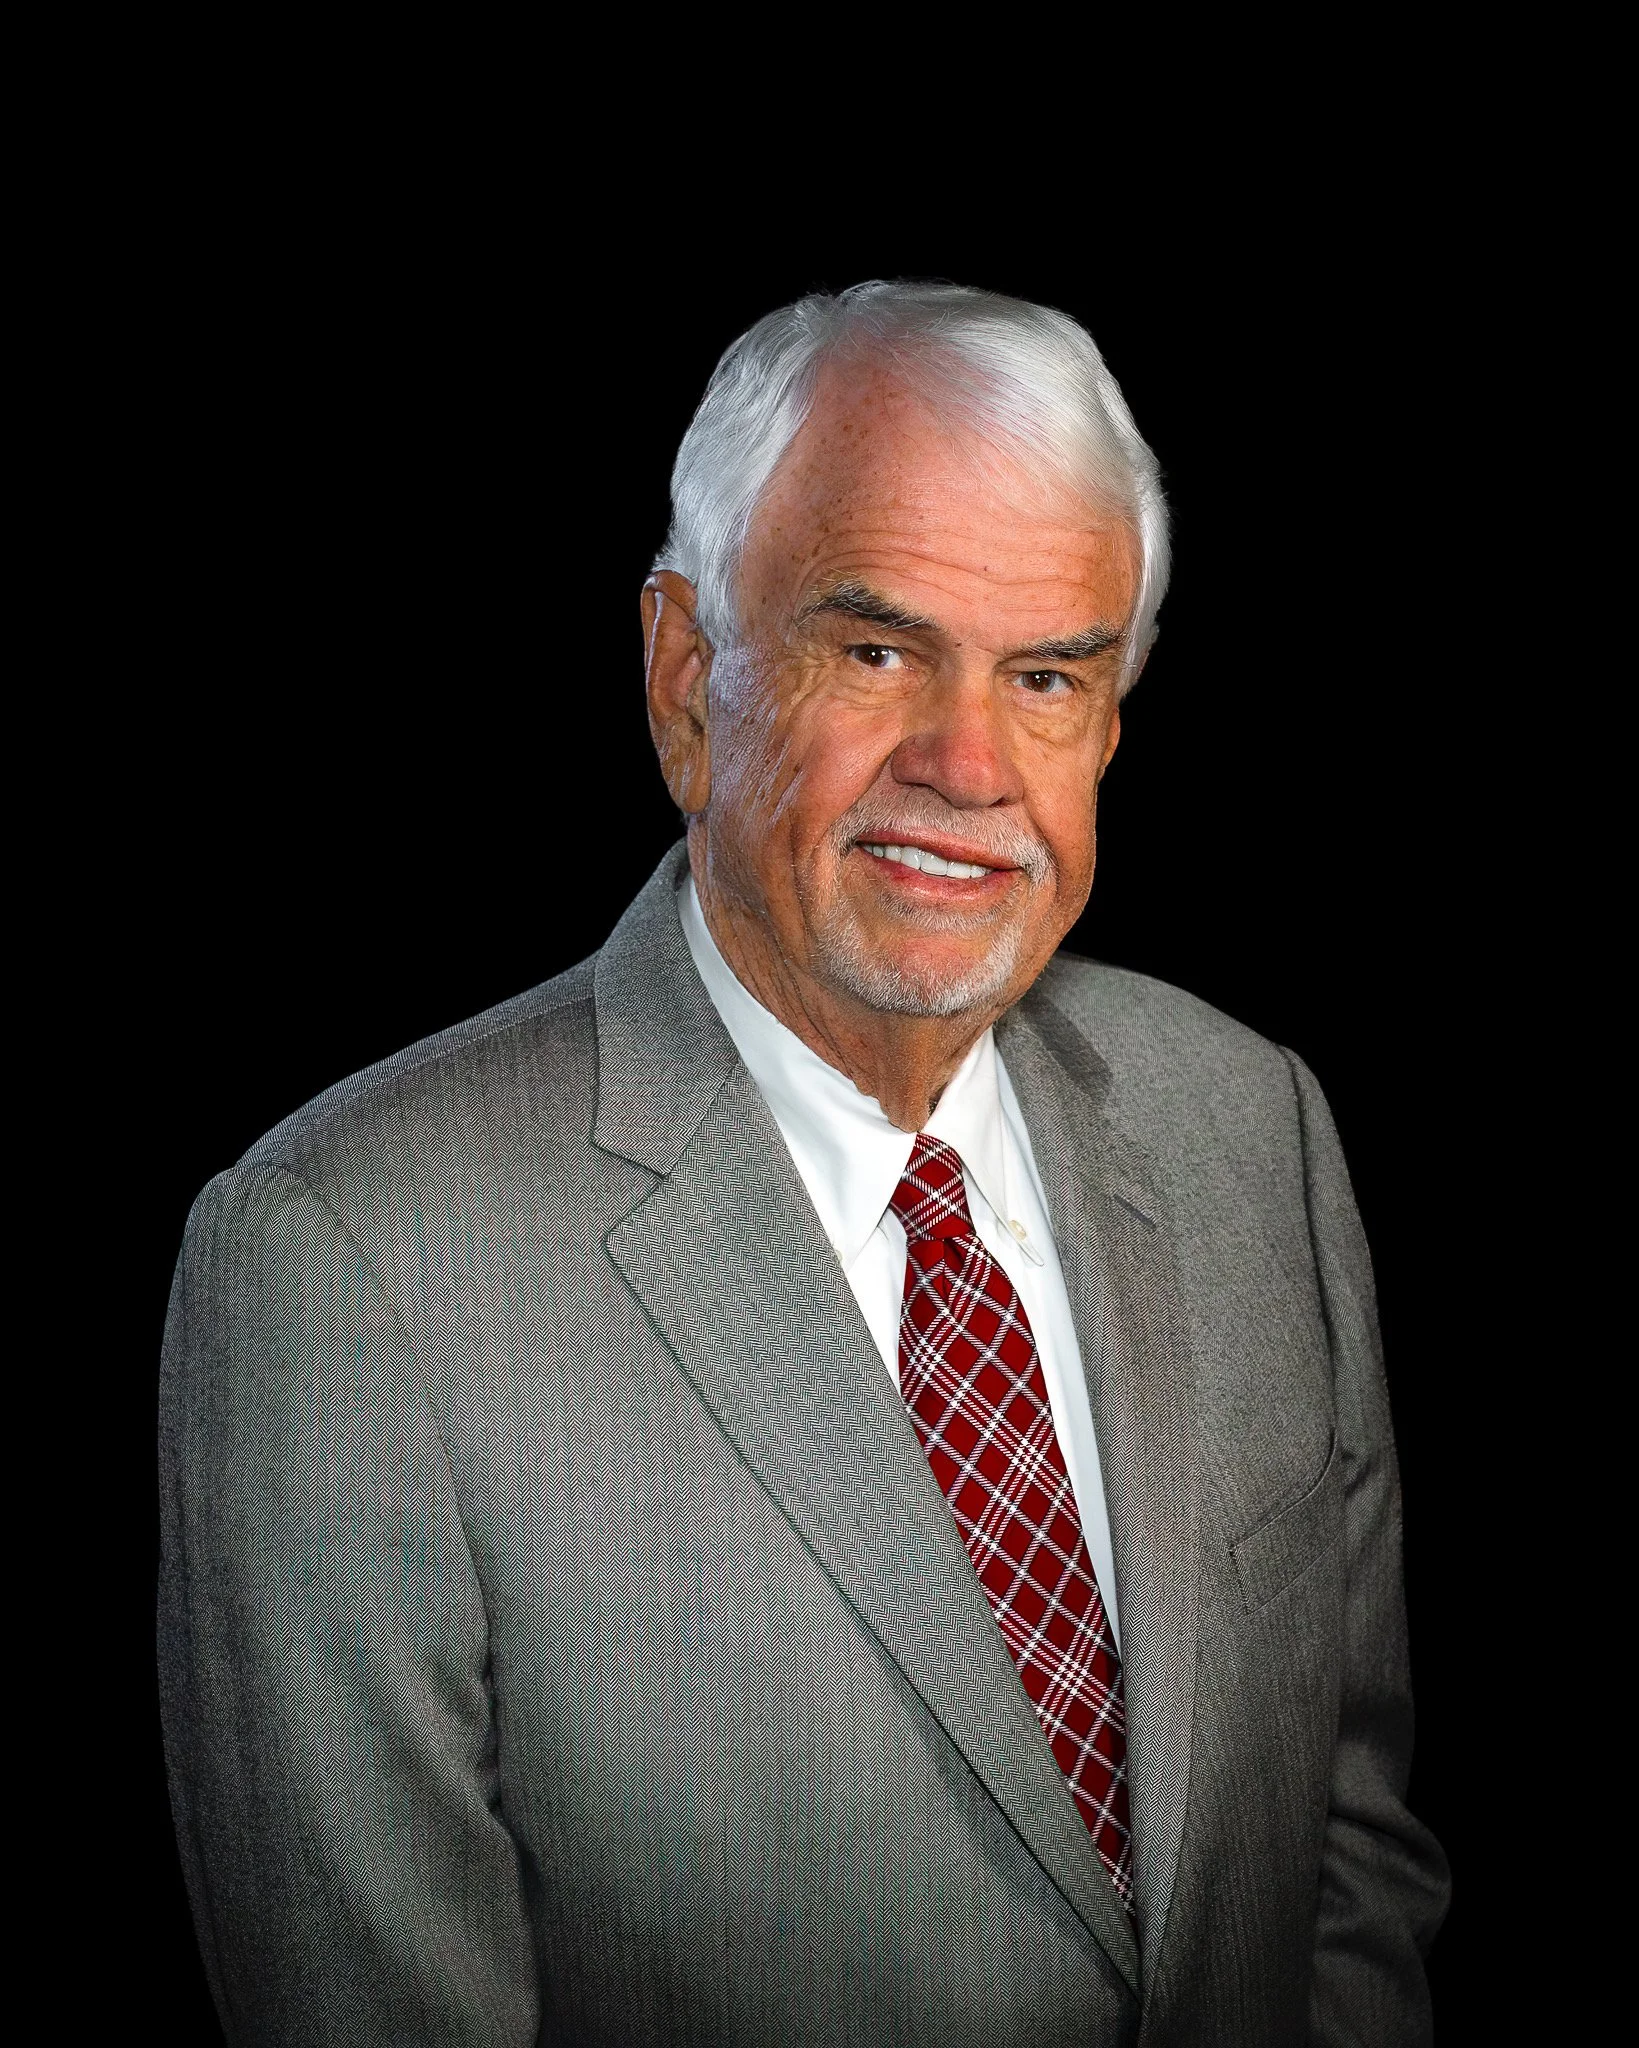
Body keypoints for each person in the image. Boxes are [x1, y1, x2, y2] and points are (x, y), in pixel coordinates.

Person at [158, 280, 1449, 2045]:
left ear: (1108, 723)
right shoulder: (346, 1264)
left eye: (1046, 677)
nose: (967, 766)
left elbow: (1349, 1863)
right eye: (876, 652)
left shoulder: (1248, 1125)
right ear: (687, 681)